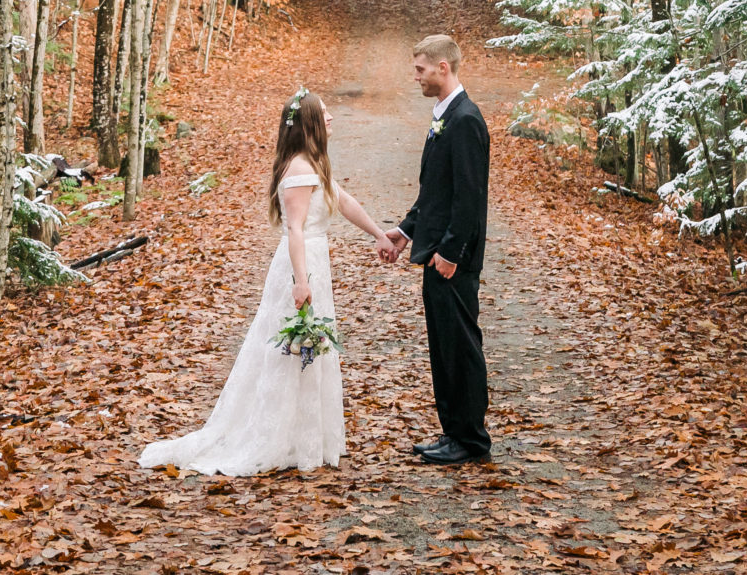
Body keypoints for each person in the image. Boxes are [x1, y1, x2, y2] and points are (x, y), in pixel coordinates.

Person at [139, 90, 396, 475]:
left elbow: (342, 202)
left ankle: (305, 434)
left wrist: (378, 233)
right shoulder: (297, 169)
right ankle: (280, 436)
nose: (331, 119)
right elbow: (294, 229)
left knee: (309, 346)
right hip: (301, 265)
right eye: (324, 114)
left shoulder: (314, 163)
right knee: (289, 347)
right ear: (309, 122)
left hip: (313, 263)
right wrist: (300, 281)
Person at [378, 34, 491, 464]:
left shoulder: (465, 120)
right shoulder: (444, 115)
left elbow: (469, 198)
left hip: (451, 260)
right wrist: (407, 230)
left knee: (461, 345)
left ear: (444, 68)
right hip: (437, 253)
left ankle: (471, 439)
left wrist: (450, 251)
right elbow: (435, 192)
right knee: (443, 346)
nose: (416, 77)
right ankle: (453, 432)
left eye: (421, 69)